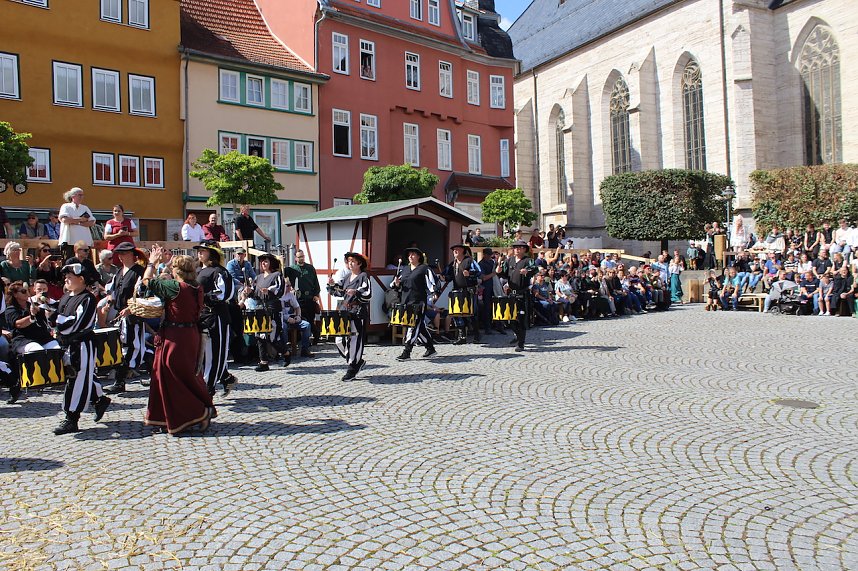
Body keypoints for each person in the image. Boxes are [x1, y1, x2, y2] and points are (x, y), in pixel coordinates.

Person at [141, 246, 216, 435]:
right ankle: (171, 416)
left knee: (173, 376)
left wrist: (152, 262)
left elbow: (146, 282)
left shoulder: (176, 287)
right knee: (182, 375)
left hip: (176, 338)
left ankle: (199, 411)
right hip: (188, 335)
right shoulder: (195, 286)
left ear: (176, 270)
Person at [50, 263, 111, 435]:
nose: (66, 280)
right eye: (66, 277)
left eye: (70, 277)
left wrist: (56, 322)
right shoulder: (67, 296)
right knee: (83, 376)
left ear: (81, 279)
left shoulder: (88, 299)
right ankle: (100, 399)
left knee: (76, 378)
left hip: (82, 344)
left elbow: (76, 323)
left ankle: (71, 418)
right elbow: (57, 314)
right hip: (68, 344)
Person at [4, 280, 59, 404]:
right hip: (23, 339)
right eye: (23, 291)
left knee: (56, 349)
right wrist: (31, 316)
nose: (26, 293)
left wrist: (43, 311)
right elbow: (18, 324)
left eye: (27, 291)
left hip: (41, 337)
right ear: (15, 295)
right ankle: (30, 380)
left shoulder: (33, 305)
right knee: (37, 351)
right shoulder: (10, 310)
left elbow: (46, 320)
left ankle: (56, 378)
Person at [103, 242, 147, 394]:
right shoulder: (120, 272)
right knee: (123, 347)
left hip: (133, 315)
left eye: (123, 253)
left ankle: (120, 380)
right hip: (120, 314)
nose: (120, 257)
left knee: (131, 347)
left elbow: (143, 294)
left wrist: (131, 308)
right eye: (119, 254)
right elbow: (113, 291)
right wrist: (109, 302)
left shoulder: (140, 272)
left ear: (131, 254)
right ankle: (120, 381)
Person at [195, 241, 237, 397]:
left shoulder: (220, 271)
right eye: (199, 250)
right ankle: (226, 378)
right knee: (204, 354)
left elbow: (225, 294)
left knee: (216, 353)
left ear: (211, 253)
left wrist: (202, 297)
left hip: (216, 316)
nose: (199, 253)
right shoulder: (197, 270)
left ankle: (208, 388)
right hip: (201, 316)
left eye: (203, 250)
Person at [328, 252, 372, 380]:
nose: (350, 263)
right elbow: (338, 291)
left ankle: (352, 368)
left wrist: (356, 292)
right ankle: (356, 361)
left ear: (359, 263)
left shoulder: (364, 276)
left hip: (357, 312)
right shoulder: (347, 277)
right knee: (339, 340)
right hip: (345, 312)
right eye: (349, 261)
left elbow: (368, 293)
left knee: (355, 341)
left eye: (353, 261)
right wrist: (331, 285)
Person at [393, 247, 438, 361]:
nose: (410, 256)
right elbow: (395, 286)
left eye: (413, 254)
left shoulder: (424, 269)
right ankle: (430, 348)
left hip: (418, 302)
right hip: (406, 302)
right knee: (419, 327)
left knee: (412, 326)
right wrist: (397, 284)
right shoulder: (405, 269)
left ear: (419, 257)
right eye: (409, 255)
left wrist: (433, 294)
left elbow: (432, 283)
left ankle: (407, 351)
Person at [496, 240, 538, 351]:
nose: (517, 249)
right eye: (515, 247)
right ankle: (517, 336)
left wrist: (527, 271)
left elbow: (535, 269)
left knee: (521, 318)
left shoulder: (528, 260)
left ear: (524, 249)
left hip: (522, 294)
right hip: (511, 294)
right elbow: (503, 274)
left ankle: (521, 343)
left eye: (519, 247)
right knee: (511, 319)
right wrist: (499, 271)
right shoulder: (509, 261)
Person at [248, 254, 287, 372]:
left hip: (273, 308)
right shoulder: (258, 277)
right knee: (259, 335)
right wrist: (249, 291)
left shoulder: (277, 275)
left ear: (271, 263)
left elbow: (279, 289)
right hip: (260, 309)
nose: (263, 264)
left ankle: (286, 353)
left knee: (272, 337)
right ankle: (263, 362)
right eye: (261, 262)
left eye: (265, 262)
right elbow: (255, 295)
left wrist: (269, 290)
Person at [443, 244, 481, 344]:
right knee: (457, 314)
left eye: (457, 249)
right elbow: (448, 276)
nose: (454, 251)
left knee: (472, 313)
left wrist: (470, 274)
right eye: (453, 250)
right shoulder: (452, 264)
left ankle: (476, 335)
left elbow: (479, 271)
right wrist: (444, 278)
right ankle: (462, 336)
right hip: (457, 291)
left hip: (469, 290)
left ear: (463, 251)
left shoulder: (470, 261)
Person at [290, 249, 321, 349]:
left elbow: (316, 282)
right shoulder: (292, 269)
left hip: (310, 298)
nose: (301, 258)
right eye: (299, 257)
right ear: (295, 258)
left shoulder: (310, 268)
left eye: (302, 256)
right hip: (298, 298)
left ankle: (316, 336)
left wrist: (317, 294)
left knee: (310, 320)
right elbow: (286, 280)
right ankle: (301, 340)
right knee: (300, 320)